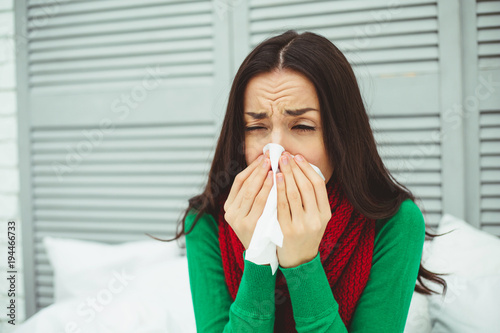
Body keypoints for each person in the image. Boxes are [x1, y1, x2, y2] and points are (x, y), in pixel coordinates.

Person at [158, 30, 448, 332]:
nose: (276, 149)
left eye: (303, 126)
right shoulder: (206, 222)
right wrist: (258, 257)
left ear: (341, 136)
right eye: (257, 126)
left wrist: (302, 264)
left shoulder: (395, 223)